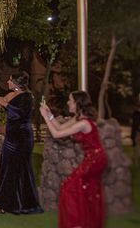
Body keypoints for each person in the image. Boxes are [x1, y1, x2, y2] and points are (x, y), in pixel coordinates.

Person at [39, 90, 108, 228]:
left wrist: (45, 117)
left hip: (96, 158)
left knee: (69, 187)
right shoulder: (78, 118)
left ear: (77, 103)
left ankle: (77, 223)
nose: (68, 102)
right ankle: (84, 222)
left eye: (70, 100)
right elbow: (60, 126)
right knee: (83, 189)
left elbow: (57, 134)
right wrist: (49, 114)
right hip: (93, 157)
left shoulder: (84, 122)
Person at [0, 71, 43, 215]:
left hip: (23, 137)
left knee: (22, 168)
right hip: (11, 138)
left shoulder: (28, 97)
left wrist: (4, 103)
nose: (8, 82)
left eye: (10, 80)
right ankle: (4, 203)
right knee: (7, 168)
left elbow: (18, 114)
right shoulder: (10, 95)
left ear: (16, 83)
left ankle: (25, 203)